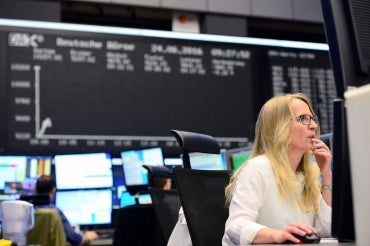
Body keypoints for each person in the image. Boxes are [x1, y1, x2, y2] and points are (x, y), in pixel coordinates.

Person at [222, 93, 332, 245]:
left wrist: (326, 173)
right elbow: (235, 226)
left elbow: (326, 229)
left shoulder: (308, 174)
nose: (313, 125)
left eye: (312, 118)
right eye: (303, 118)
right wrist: (278, 236)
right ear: (280, 127)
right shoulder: (258, 168)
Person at [35, 175, 99, 246]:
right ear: (53, 191)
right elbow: (76, 240)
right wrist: (87, 236)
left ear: (35, 190)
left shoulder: (27, 210)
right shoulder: (54, 212)